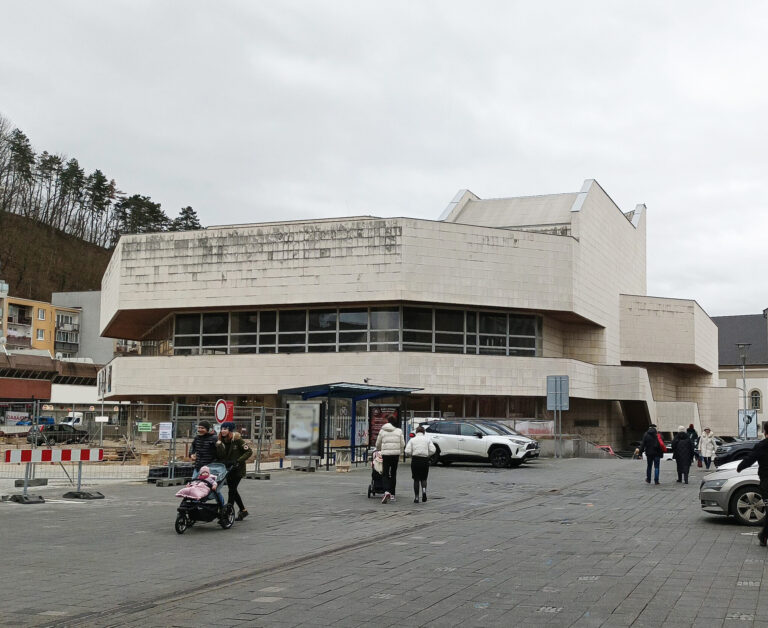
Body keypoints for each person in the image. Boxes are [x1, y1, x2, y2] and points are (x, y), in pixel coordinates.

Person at [737, 421, 768, 546]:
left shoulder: (762, 445)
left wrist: (740, 467)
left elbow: (750, 459)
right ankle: (764, 535)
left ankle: (763, 535)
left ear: (765, 432)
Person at [216, 421, 253, 521]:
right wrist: (219, 445)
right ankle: (243, 511)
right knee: (233, 490)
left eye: (225, 429)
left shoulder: (237, 440)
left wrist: (238, 460)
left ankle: (228, 513)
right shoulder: (220, 440)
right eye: (222, 429)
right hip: (228, 469)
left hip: (237, 469)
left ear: (230, 430)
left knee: (231, 490)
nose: (223, 431)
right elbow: (220, 455)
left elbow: (249, 451)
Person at [375, 415, 404, 504]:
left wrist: (380, 449)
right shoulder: (399, 431)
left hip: (386, 455)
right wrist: (400, 452)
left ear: (387, 422)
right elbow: (402, 444)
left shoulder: (382, 431)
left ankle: (386, 491)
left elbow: (378, 443)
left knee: (385, 473)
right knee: (393, 474)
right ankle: (392, 495)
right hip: (395, 455)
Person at [404, 426, 436, 503]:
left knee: (416, 479)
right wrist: (428, 454)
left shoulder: (412, 440)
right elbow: (433, 450)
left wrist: (411, 455)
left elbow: (407, 451)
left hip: (415, 460)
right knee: (424, 478)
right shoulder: (427, 440)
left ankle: (416, 497)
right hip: (424, 460)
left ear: (416, 432)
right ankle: (424, 491)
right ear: (424, 432)